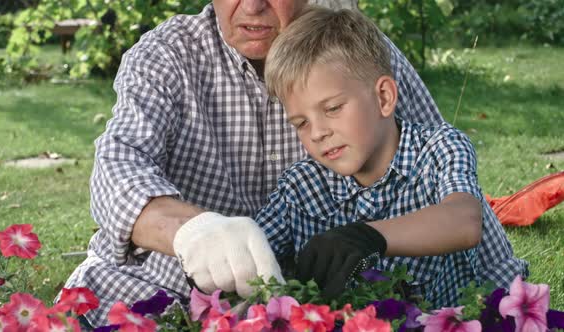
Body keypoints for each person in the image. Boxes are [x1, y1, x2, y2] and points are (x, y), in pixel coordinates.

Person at [62, 0, 445, 327]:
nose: (252, 6)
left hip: (320, 306)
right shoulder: (167, 55)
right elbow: (119, 162)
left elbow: (437, 174)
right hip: (162, 290)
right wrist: (189, 230)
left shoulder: (356, 50)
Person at [256, 6, 529, 307]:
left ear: (384, 97)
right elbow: (253, 252)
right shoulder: (300, 188)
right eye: (301, 123)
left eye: (332, 109)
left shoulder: (439, 149)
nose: (318, 132)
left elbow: (464, 220)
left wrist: (368, 236)